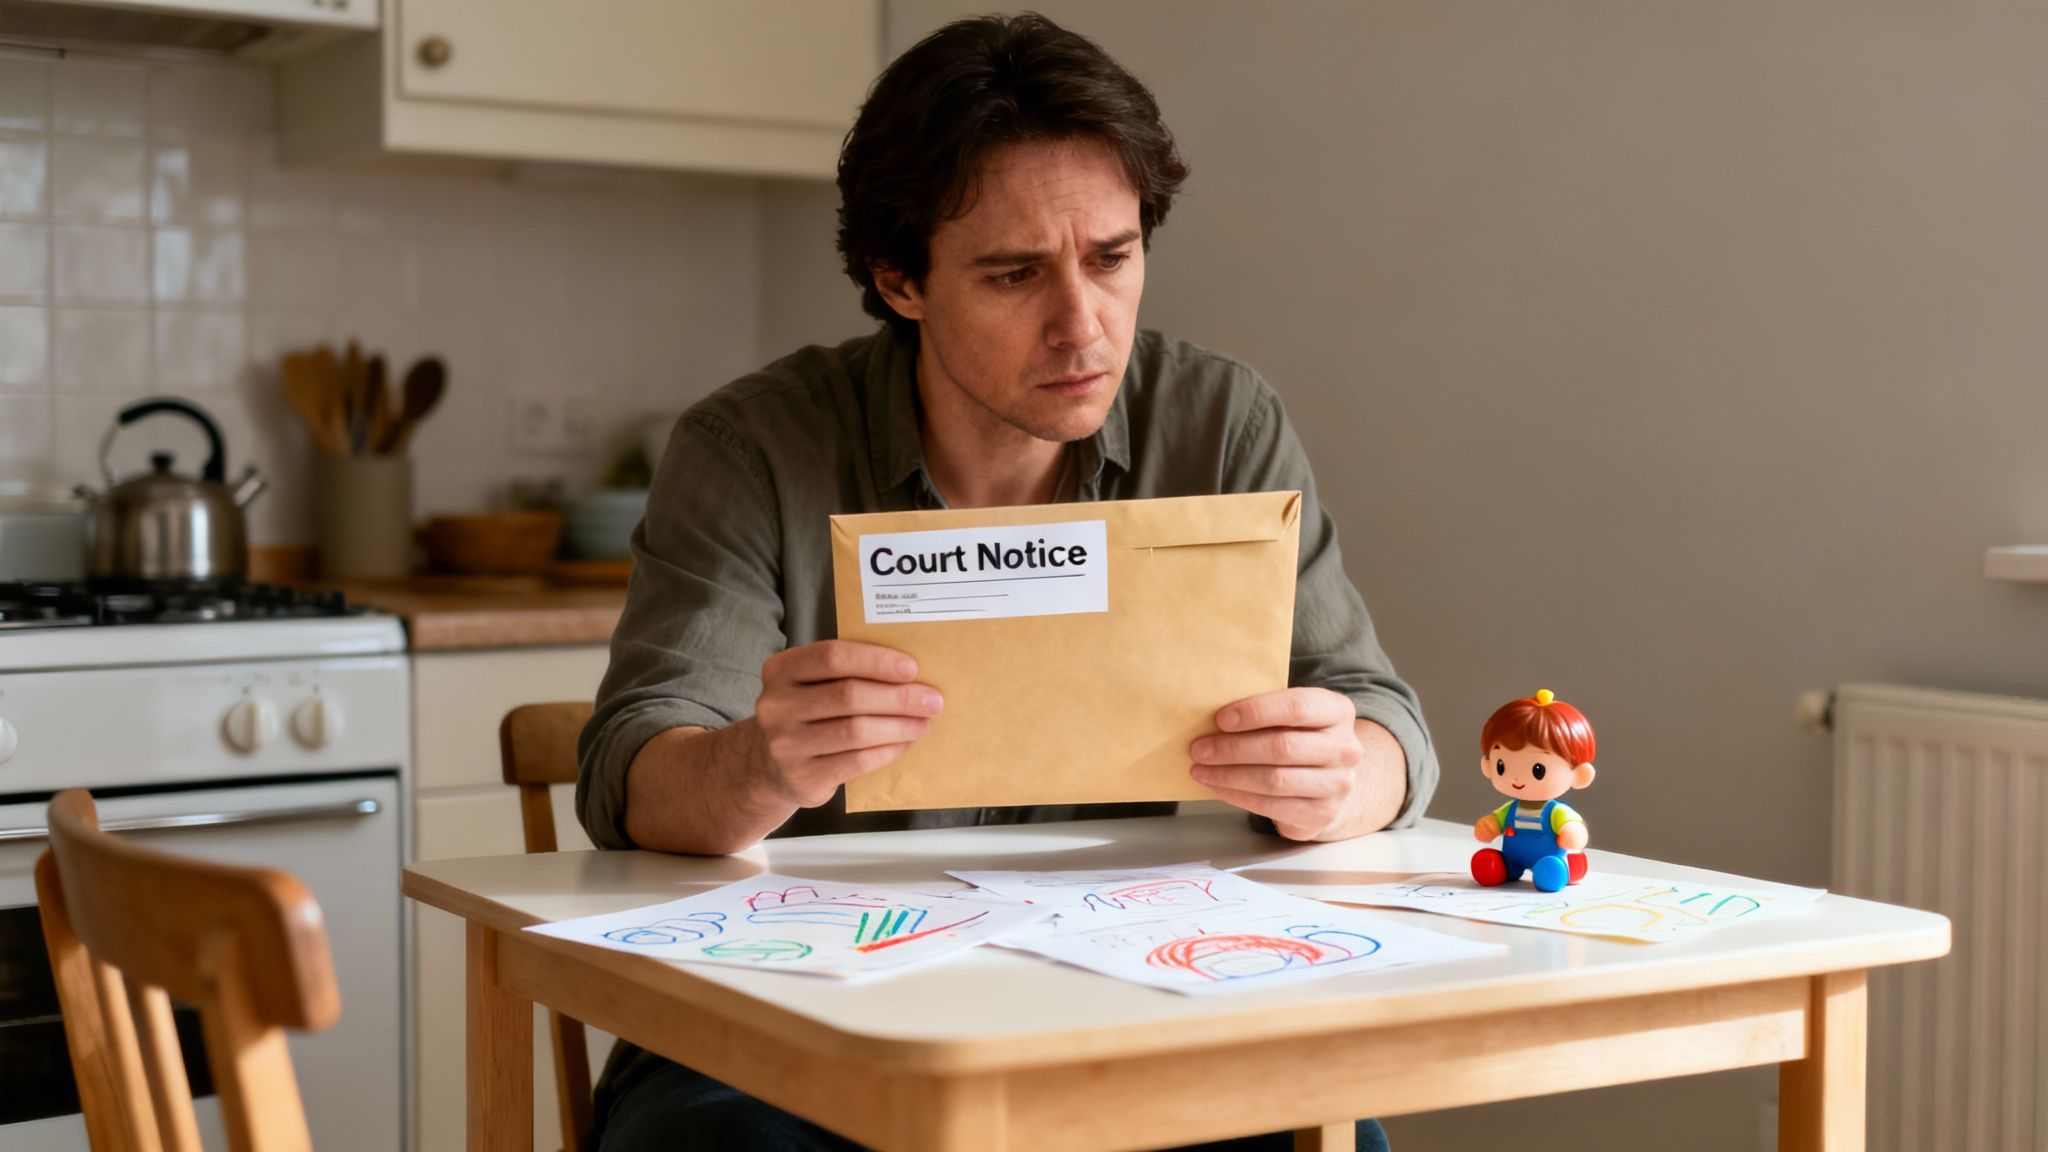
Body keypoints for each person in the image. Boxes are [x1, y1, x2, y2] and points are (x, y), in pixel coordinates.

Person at [576, 13, 1435, 1151]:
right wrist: (750, 763)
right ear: (901, 282)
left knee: (1328, 1136)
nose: (1081, 325)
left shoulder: (1220, 425)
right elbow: (631, 767)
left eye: (1112, 259)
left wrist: (1343, 775)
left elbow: (1383, 724)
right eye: (1013, 274)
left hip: (1111, 1008)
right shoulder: (753, 448)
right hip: (795, 1023)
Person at [1470, 689, 1597, 893]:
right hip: (1513, 857)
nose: (1516, 778)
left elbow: (1574, 830)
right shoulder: (1510, 809)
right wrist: (1490, 826)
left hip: (1549, 858)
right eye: (1501, 765)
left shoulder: (1556, 812)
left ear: (1579, 775)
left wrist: (1572, 834)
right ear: (1488, 765)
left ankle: (1557, 870)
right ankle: (1501, 867)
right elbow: (1495, 822)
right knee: (1491, 861)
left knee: (1549, 869)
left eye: (1538, 770)